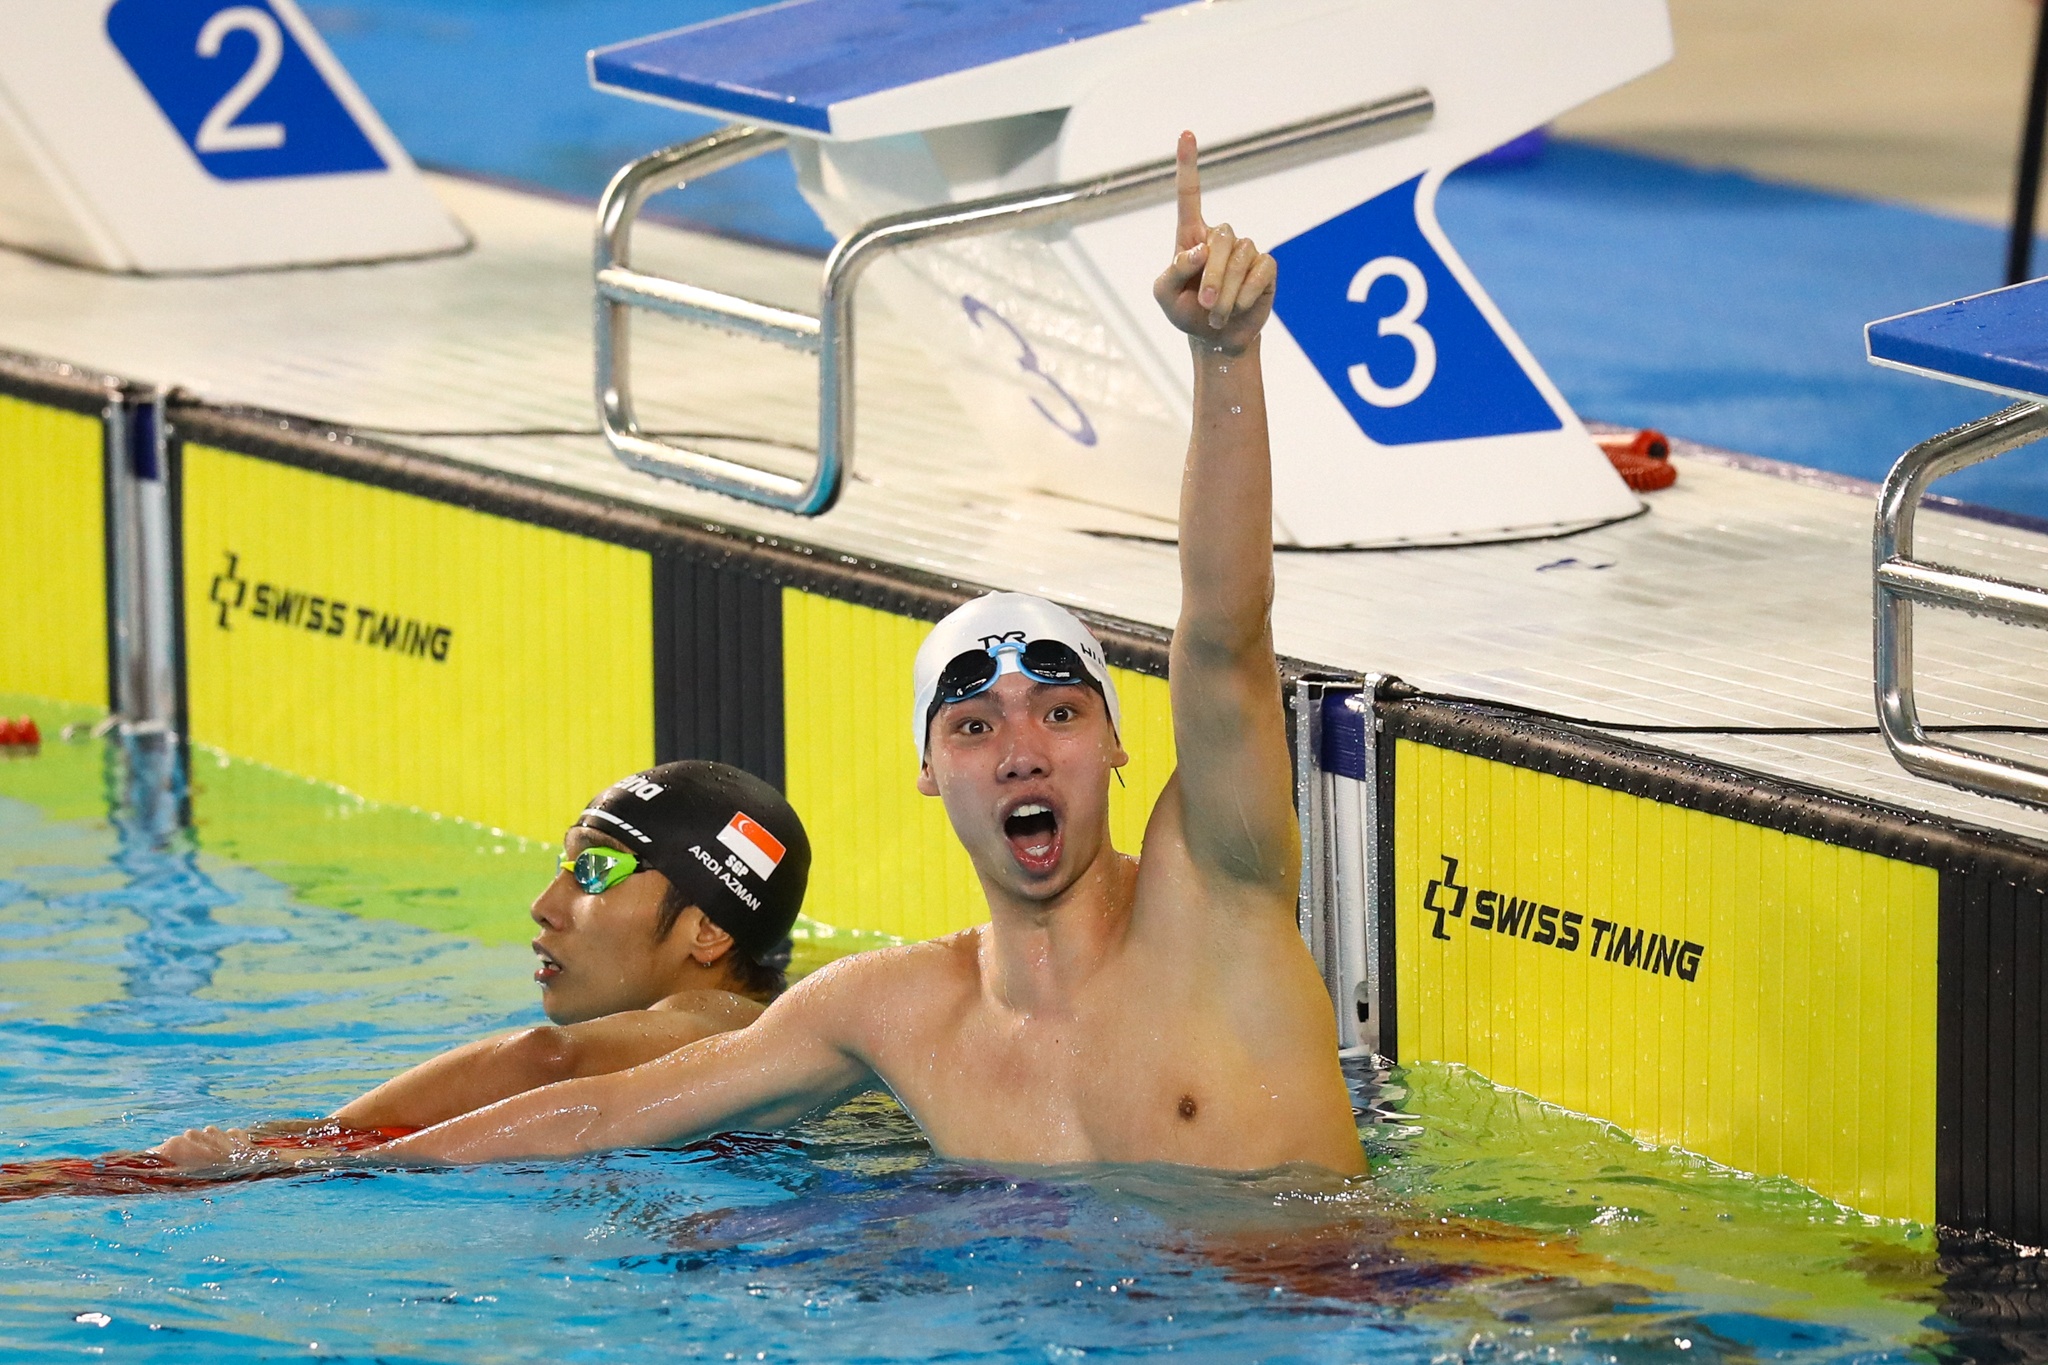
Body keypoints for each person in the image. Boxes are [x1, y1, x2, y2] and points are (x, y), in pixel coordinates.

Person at [165, 130, 1366, 1179]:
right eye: (973, 724)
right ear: (926, 770)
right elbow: (597, 1113)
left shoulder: (1215, 895)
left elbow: (1222, 631)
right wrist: (294, 1171)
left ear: (1113, 746)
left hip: (1353, 1303)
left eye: (1057, 712)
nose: (1016, 749)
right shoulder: (893, 1012)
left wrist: (1223, 362)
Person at [146, 760, 811, 1167]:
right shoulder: (792, 1028)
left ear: (708, 930)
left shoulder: (724, 1019)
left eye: (594, 869)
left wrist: (296, 1146)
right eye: (562, 865)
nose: (544, 904)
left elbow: (543, 1058)